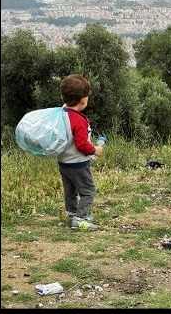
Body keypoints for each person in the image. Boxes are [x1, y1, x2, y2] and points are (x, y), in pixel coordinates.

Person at [57, 74, 104, 230]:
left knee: (70, 190)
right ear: (83, 100)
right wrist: (95, 150)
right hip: (78, 163)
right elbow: (82, 145)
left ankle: (72, 213)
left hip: (64, 162)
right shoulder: (78, 119)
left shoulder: (61, 113)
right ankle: (80, 218)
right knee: (88, 191)